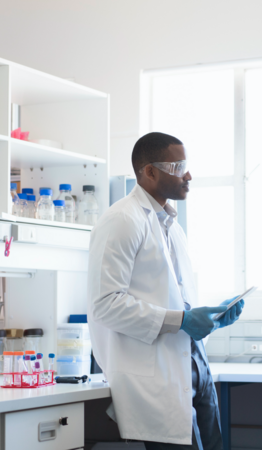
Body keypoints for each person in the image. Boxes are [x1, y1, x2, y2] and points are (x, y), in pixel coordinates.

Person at [87, 132, 243, 449]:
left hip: (193, 364)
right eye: (177, 166)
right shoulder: (121, 220)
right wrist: (181, 321)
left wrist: (212, 318)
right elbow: (105, 305)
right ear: (150, 172)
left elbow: (175, 300)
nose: (187, 175)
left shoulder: (172, 225)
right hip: (156, 375)